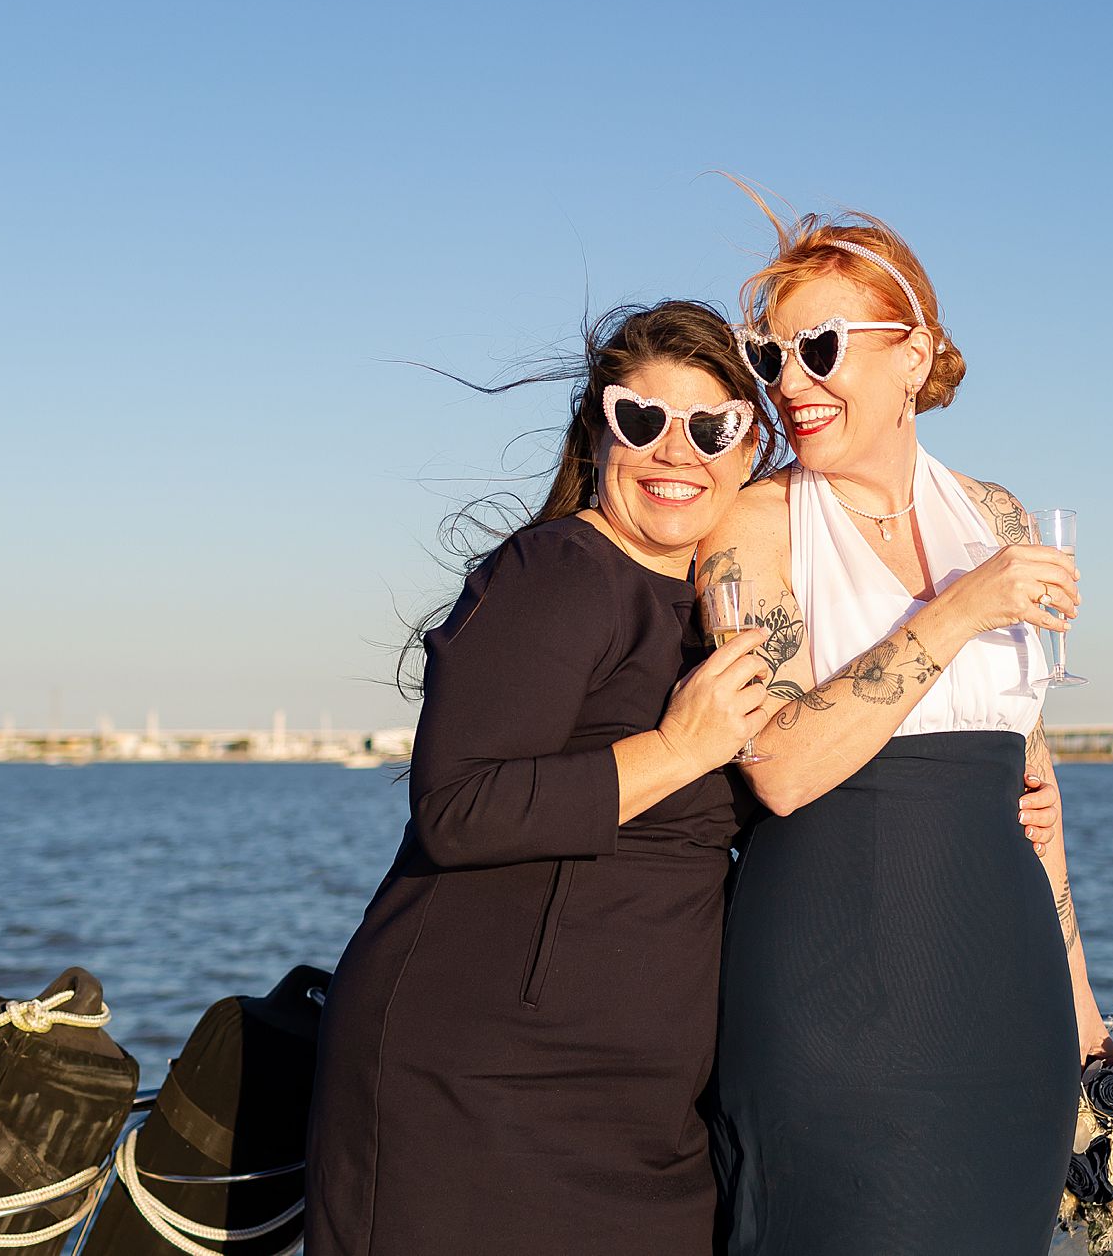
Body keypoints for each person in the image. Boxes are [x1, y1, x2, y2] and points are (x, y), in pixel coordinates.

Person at [305, 301, 782, 1256]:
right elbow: (457, 808)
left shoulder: (728, 607)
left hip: (647, 1112)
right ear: (597, 433)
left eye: (710, 425)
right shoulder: (559, 570)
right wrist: (680, 749)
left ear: (752, 444)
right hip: (480, 1092)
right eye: (640, 418)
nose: (673, 451)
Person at [701, 204, 1109, 1256]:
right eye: (769, 355)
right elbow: (780, 766)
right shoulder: (753, 527)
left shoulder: (1000, 519)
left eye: (821, 347)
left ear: (913, 350)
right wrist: (960, 607)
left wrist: (1079, 999)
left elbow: (1031, 780)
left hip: (1004, 982)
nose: (789, 382)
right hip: (838, 990)